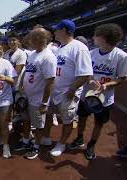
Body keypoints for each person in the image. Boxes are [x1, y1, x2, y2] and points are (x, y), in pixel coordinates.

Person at [68, 23, 127, 160]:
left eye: (97, 35)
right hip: (86, 95)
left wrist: (108, 84)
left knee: (99, 123)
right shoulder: (91, 54)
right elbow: (86, 72)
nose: (93, 37)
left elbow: (122, 78)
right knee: (82, 118)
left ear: (104, 38)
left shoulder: (121, 56)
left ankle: (91, 145)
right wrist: (89, 80)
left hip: (105, 98)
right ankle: (79, 138)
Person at [43, 19, 93, 157]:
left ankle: (62, 143)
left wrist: (72, 90)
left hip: (68, 92)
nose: (54, 32)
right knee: (48, 114)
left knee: (67, 120)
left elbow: (85, 74)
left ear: (64, 30)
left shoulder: (79, 47)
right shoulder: (60, 48)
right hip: (55, 91)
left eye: (57, 29)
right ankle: (46, 137)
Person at [15, 28, 57, 160]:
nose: (29, 41)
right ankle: (26, 140)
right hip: (27, 96)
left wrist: (45, 103)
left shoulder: (48, 57)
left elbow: (50, 81)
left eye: (32, 38)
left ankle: (36, 146)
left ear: (39, 39)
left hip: (38, 99)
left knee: (39, 125)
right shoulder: (33, 54)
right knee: (26, 120)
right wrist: (22, 83)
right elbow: (27, 71)